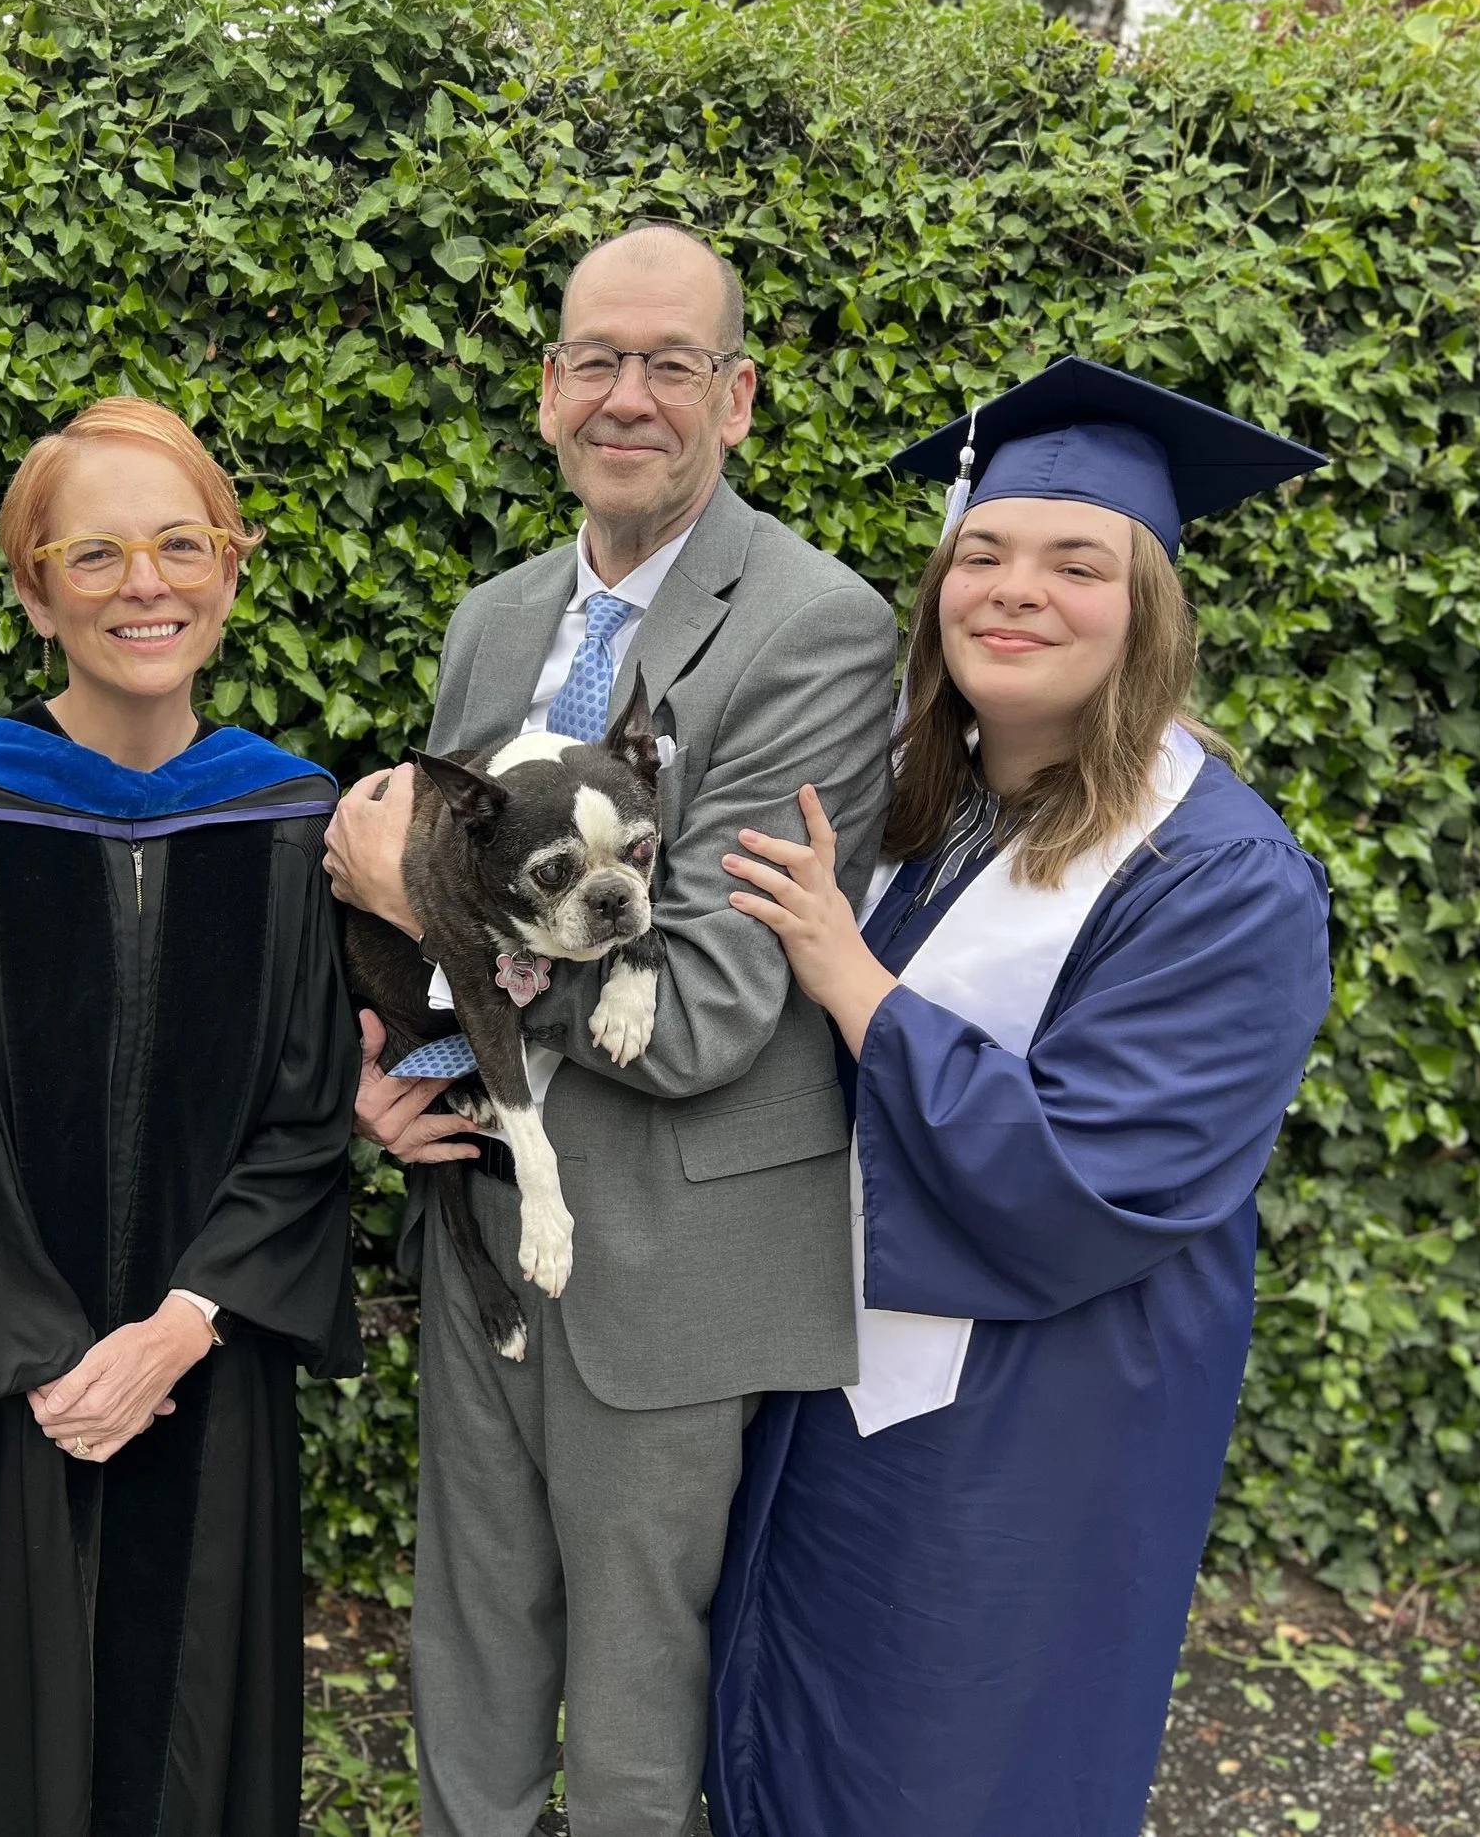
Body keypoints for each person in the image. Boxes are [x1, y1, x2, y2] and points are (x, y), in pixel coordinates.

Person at [701, 356, 1334, 1836]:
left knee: (956, 1762)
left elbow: (1104, 1177)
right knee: (787, 1733)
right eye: (980, 552)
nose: (1015, 590)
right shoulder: (918, 798)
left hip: (1032, 1432)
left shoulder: (1224, 876)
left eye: (1076, 562)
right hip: (832, 1396)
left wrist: (858, 986)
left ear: (1150, 607)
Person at [324, 221, 899, 1834]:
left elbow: (709, 1003)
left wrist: (425, 907)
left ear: (740, 397)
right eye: (595, 360)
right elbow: (412, 926)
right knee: (470, 1652)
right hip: (489, 1216)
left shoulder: (817, 628)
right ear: (549, 391)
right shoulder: (494, 619)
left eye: (671, 364)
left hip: (678, 1249)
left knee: (643, 1698)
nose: (626, 396)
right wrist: (408, 1065)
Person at [0, 395, 363, 1837]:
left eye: (182, 544)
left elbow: (310, 1114)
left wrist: (181, 1323)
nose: (145, 584)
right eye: (94, 553)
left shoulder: (294, 824)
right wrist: (56, 1359)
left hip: (206, 1381)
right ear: (33, 588)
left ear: (232, 569)